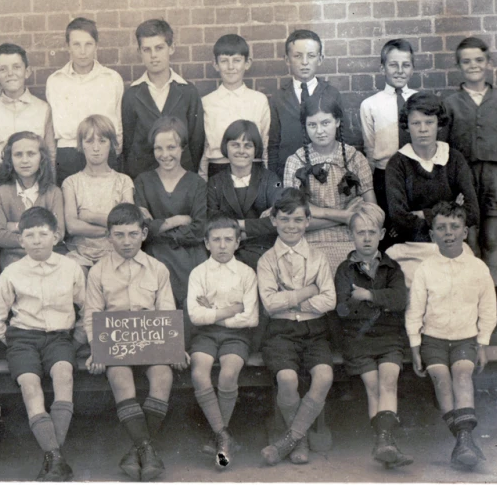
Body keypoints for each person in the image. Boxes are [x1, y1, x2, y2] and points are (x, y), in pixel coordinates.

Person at [84, 203, 183, 482]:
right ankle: (147, 452)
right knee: (120, 378)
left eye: (132, 234)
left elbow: (165, 311)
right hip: (115, 342)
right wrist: (97, 349)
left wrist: (175, 347)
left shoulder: (157, 269)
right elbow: (92, 315)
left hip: (151, 338)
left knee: (163, 376)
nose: (126, 241)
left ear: (143, 233)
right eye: (119, 235)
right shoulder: (98, 272)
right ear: (109, 236)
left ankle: (136, 451)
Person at [0, 207, 85, 481]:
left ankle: (53, 456)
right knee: (30, 386)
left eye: (43, 234)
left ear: (55, 236)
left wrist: (75, 339)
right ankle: (56, 457)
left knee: (64, 375)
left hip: (60, 337)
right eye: (30, 236)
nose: (37, 241)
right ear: (21, 241)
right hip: (23, 339)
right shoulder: (12, 272)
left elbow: (87, 308)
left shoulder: (71, 268)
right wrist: (15, 342)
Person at [406, 201, 497, 469]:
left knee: (462, 374)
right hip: (432, 340)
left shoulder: (477, 268)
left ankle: (463, 441)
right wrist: (414, 347)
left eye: (455, 227)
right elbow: (415, 311)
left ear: (465, 232)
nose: (449, 233)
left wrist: (482, 344)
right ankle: (465, 441)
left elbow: (488, 308)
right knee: (441, 379)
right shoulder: (425, 269)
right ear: (432, 235)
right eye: (441, 228)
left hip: (465, 338)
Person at [256, 188, 336, 466]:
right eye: (285, 219)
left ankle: (290, 439)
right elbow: (269, 304)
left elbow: (329, 299)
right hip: (280, 332)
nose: (291, 226)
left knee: (324, 376)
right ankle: (299, 439)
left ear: (307, 222)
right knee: (287, 379)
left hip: (315, 331)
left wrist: (289, 300)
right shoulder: (267, 260)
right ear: (274, 220)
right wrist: (307, 292)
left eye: (298, 220)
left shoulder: (318, 258)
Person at [334, 203, 412, 468]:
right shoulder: (345, 270)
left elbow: (400, 300)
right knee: (373, 385)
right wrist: (382, 301)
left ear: (381, 234)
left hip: (389, 335)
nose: (366, 238)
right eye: (360, 233)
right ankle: (385, 443)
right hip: (358, 338)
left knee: (389, 380)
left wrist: (367, 295)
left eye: (371, 232)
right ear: (351, 236)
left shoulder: (391, 268)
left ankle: (384, 442)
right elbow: (343, 309)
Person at [440, 37, 497, 267]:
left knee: (491, 239)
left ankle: (491, 297)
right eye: (466, 61)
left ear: (488, 62)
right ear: (458, 66)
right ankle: (472, 296)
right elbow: (443, 151)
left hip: (494, 180)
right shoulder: (451, 103)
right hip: (464, 179)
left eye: (478, 60)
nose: (473, 65)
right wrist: (450, 187)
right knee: (470, 239)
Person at [187, 214, 258, 469]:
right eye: (216, 240)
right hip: (204, 335)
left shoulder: (246, 273)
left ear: (238, 242)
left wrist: (214, 314)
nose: (222, 245)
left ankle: (217, 436)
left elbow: (250, 317)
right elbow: (195, 315)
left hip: (236, 336)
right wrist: (230, 310)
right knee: (199, 373)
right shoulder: (199, 273)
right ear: (206, 243)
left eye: (228, 239)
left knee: (228, 374)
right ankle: (224, 436)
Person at [385, 92, 479, 284]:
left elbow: (472, 212)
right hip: (411, 248)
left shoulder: (454, 159)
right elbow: (400, 219)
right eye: (416, 123)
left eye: (429, 122)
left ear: (439, 124)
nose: (423, 129)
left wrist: (423, 214)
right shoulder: (397, 164)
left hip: (451, 244)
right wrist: (450, 210)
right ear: (406, 126)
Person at [283, 91, 376, 273]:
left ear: (338, 122)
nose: (319, 131)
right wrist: (345, 216)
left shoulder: (355, 159)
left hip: (352, 241)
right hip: (306, 242)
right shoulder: (295, 162)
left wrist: (316, 213)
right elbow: (293, 221)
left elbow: (372, 213)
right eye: (312, 125)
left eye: (325, 123)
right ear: (305, 127)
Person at [134, 117, 208, 343]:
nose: (165, 154)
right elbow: (141, 226)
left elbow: (198, 229)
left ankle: (181, 349)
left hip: (189, 255)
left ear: (182, 147)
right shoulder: (143, 181)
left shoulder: (196, 183)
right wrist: (176, 220)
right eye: (158, 148)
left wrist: (158, 224)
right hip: (154, 253)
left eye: (171, 147)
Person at [122, 19, 205, 179]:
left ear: (171, 48)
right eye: (147, 49)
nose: (153, 55)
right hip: (143, 179)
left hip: (180, 178)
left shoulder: (187, 92)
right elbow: (128, 143)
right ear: (139, 52)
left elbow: (196, 141)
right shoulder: (132, 95)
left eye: (159, 48)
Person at [46, 17, 124, 185]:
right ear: (68, 46)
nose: (83, 51)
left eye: (88, 44)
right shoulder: (55, 81)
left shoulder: (112, 79)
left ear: (96, 45)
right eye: (76, 44)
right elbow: (52, 129)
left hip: (103, 153)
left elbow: (118, 125)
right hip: (68, 154)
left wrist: (113, 154)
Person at [268, 29, 353, 180]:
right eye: (297, 56)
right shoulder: (278, 97)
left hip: (326, 174)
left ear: (320, 59)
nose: (305, 62)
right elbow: (274, 144)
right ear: (287, 59)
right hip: (289, 174)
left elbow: (343, 137)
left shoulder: (331, 94)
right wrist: (276, 180)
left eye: (311, 56)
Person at [360, 39, 417, 250]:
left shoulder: (419, 100)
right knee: (388, 235)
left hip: (415, 176)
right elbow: (369, 148)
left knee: (412, 231)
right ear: (382, 67)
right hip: (384, 177)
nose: (400, 70)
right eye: (393, 65)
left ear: (413, 68)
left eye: (406, 65)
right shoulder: (370, 105)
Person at [207, 120, 282, 271]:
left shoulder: (270, 179)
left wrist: (239, 224)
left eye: (248, 146)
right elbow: (212, 222)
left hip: (264, 252)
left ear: (255, 150)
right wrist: (255, 225)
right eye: (235, 145)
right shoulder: (215, 183)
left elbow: (279, 220)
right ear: (226, 147)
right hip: (226, 253)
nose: (241, 151)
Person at [63, 115, 134, 271]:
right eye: (89, 141)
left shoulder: (123, 181)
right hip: (78, 254)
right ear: (81, 145)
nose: (96, 148)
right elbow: (72, 226)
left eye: (102, 141)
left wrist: (90, 216)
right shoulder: (71, 183)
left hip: (114, 253)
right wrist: (112, 229)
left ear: (111, 144)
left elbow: (127, 223)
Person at [0, 43, 54, 191]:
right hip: (1, 179)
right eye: (3, 69)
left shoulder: (43, 109)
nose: (10, 73)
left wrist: (51, 185)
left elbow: (51, 153)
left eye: (16, 67)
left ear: (27, 71)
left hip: (35, 178)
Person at [200, 34, 270, 180]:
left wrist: (266, 181)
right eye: (224, 61)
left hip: (253, 172)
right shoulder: (206, 103)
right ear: (215, 64)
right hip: (218, 172)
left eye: (237, 61)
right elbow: (203, 149)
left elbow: (265, 143)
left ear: (247, 63)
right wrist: (203, 181)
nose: (231, 67)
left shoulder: (258, 100)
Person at [0, 131, 65, 270]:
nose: (24, 160)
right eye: (18, 154)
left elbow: (59, 232)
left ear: (41, 158)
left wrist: (15, 226)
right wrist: (41, 234)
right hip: (14, 258)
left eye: (31, 154)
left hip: (49, 256)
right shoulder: (1, 193)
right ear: (10, 159)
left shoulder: (53, 192)